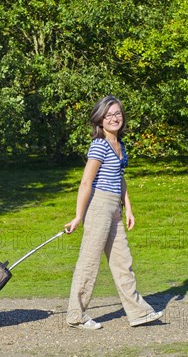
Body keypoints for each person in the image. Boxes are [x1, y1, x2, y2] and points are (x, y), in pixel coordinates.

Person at [64, 95, 163, 330]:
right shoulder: (99, 145)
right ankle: (76, 315)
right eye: (108, 115)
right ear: (100, 120)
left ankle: (138, 313)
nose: (114, 118)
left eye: (117, 113)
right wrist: (79, 216)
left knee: (122, 261)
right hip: (98, 206)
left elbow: (119, 178)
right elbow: (86, 182)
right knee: (89, 261)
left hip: (114, 208)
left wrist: (128, 207)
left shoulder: (119, 145)